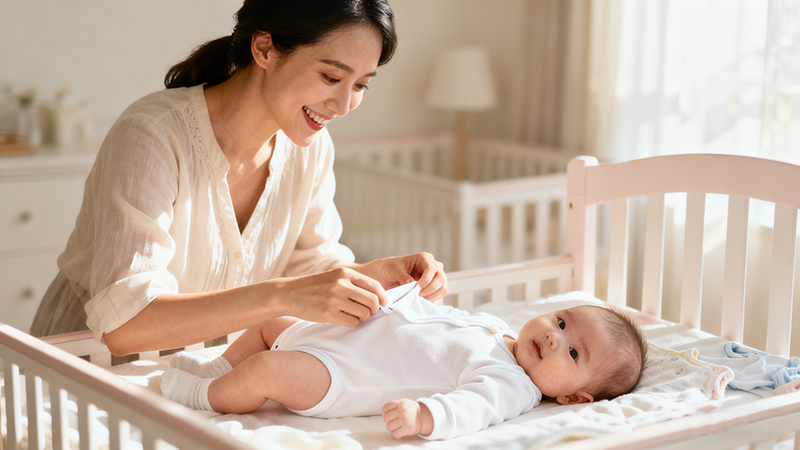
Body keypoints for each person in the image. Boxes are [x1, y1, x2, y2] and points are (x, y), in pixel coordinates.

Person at [29, 0, 448, 356]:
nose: (342, 105)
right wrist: (280, 296)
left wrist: (374, 275)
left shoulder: (311, 147)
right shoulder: (153, 135)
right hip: (79, 372)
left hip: (194, 375)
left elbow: (311, 264)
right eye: (331, 77)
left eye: (361, 86)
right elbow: (125, 324)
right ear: (265, 48)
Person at [161, 282, 649, 440]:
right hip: (334, 335)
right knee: (271, 322)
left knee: (268, 372)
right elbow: (437, 319)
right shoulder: (496, 329)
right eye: (562, 323)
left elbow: (475, 407)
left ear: (574, 396)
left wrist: (426, 415)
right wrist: (416, 296)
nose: (553, 337)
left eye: (572, 351)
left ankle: (202, 396)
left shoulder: (513, 382)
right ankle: (219, 370)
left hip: (339, 376)